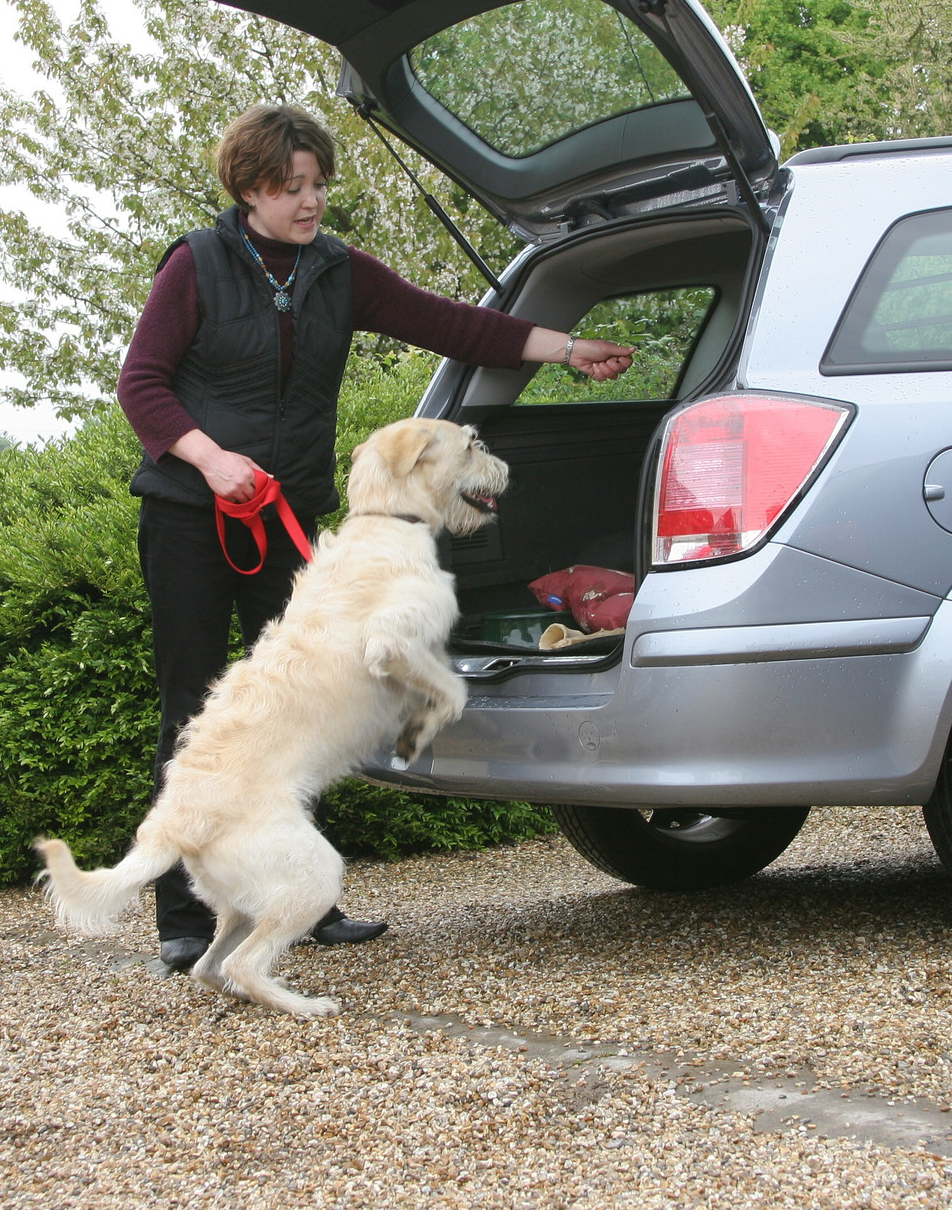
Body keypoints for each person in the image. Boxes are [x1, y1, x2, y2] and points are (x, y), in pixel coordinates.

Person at [116, 103, 635, 973]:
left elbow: (454, 324)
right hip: (189, 516)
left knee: (302, 701)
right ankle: (183, 914)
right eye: (293, 188)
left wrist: (568, 347)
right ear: (250, 188)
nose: (312, 201)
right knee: (199, 707)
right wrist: (211, 460)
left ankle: (300, 899)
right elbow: (142, 383)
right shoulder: (197, 264)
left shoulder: (338, 270)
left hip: (285, 515)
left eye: (319, 184)